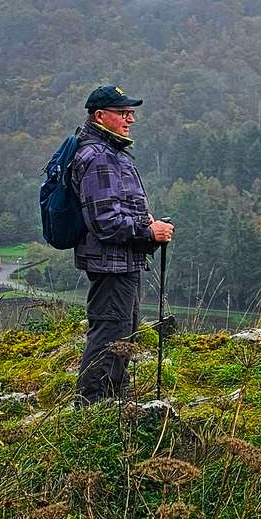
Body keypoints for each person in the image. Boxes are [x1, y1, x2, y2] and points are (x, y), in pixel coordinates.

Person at [69, 84, 174, 403]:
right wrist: (148, 232)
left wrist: (145, 220)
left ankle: (113, 399)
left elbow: (115, 208)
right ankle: (92, 404)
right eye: (123, 112)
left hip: (121, 261)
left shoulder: (108, 152)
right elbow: (104, 221)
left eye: (131, 112)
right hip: (110, 263)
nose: (131, 119)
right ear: (100, 116)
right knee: (110, 333)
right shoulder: (99, 157)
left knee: (123, 330)